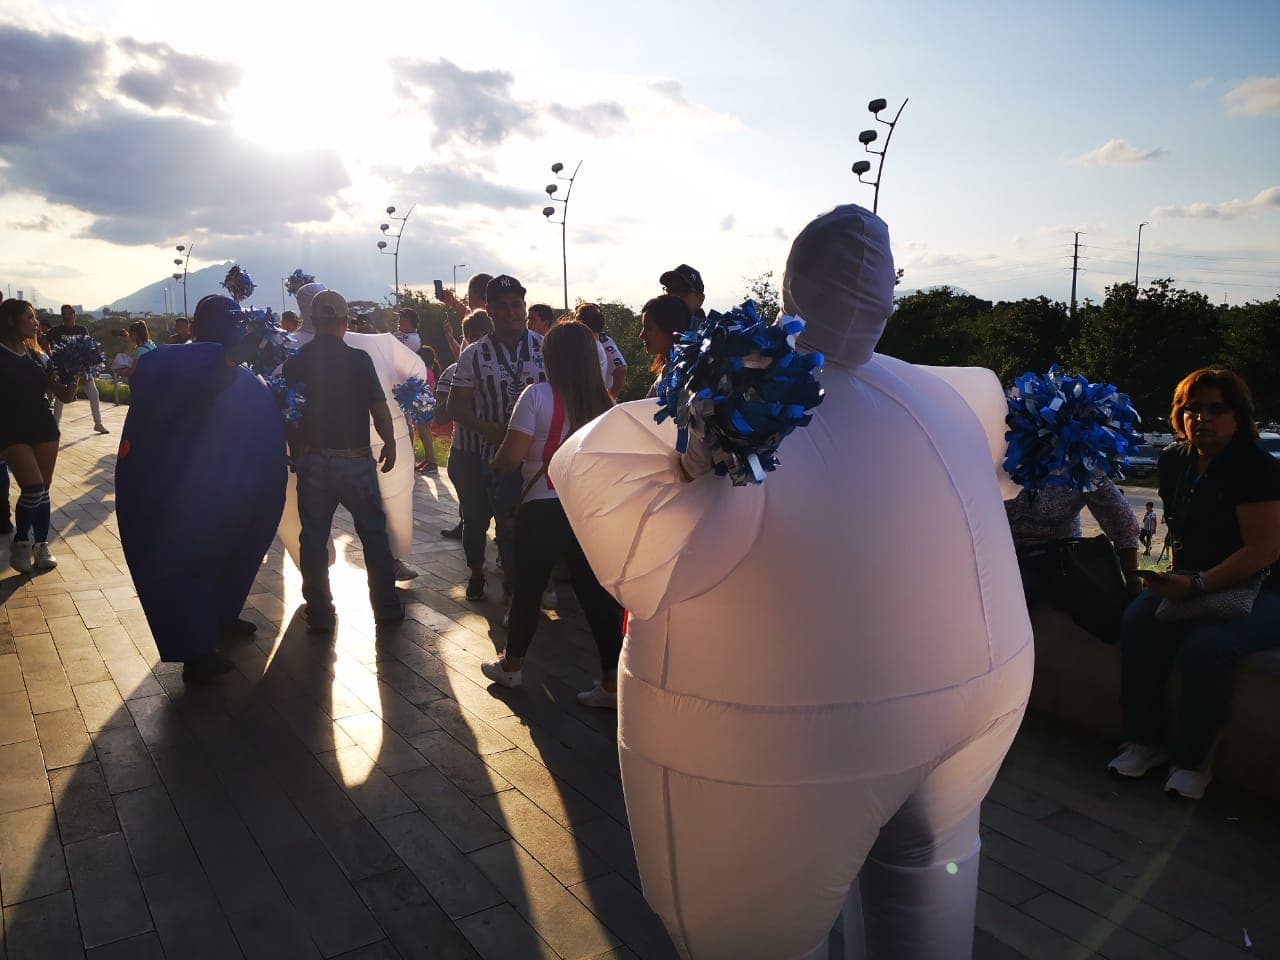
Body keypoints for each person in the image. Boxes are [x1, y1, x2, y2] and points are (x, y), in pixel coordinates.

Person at [550, 205, 1033, 959]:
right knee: (926, 876)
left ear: (790, 285)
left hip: (803, 733)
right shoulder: (940, 396)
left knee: (754, 932)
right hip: (986, 690)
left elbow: (635, 548)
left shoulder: (748, 408)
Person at [1109, 369, 1280, 800]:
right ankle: (1143, 742)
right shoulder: (1175, 460)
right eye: (1191, 408)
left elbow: (1263, 551)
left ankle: (1193, 758)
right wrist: (1175, 578)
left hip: (1266, 588)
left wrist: (1198, 586)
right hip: (1197, 577)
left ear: (1238, 417)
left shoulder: (1256, 468)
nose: (1201, 417)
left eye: (1215, 408)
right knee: (1139, 620)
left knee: (1209, 645)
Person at [115, 295, 287, 683]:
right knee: (188, 562)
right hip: (179, 492)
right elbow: (169, 375)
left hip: (230, 491)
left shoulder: (244, 377)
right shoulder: (173, 362)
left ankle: (221, 617)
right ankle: (195, 649)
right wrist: (223, 356)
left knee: (234, 552)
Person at [481, 322, 623, 707]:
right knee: (595, 596)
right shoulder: (606, 405)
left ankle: (511, 665)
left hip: (542, 507)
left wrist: (495, 466)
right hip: (588, 509)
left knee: (528, 588)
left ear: (550, 357)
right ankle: (612, 683)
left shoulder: (536, 396)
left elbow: (511, 457)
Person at [282, 291, 404, 631]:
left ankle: (320, 612)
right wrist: (390, 442)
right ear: (345, 322)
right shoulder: (358, 360)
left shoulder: (297, 361)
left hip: (314, 462)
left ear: (313, 322)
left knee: (314, 539)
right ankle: (387, 607)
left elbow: (288, 413)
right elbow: (379, 407)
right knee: (374, 535)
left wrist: (296, 451)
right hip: (355, 461)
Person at [446, 276, 546, 601]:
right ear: (488, 310)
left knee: (513, 528)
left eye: (516, 305)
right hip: (477, 455)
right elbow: (454, 406)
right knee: (475, 522)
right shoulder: (474, 354)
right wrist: (487, 428)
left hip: (526, 457)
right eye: (501, 307)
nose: (510, 313)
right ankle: (476, 571)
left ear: (524, 306)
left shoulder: (544, 347)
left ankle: (514, 594)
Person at [1, 299, 78, 572]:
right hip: (10, 430)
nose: (35, 323)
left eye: (35, 318)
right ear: (11, 320)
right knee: (32, 488)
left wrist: (76, 370)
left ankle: (41, 545)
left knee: (43, 489)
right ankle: (22, 542)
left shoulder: (39, 357)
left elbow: (66, 396)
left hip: (43, 427)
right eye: (29, 317)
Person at [1005, 473, 1142, 601]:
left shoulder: (1079, 459)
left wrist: (1134, 585)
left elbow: (1122, 519)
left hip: (1058, 560)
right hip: (995, 560)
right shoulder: (990, 454)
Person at [436, 309, 494, 540]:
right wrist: (458, 395)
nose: (479, 340)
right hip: (467, 453)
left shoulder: (506, 371)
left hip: (497, 451)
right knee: (473, 517)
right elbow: (439, 416)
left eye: (484, 334)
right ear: (466, 338)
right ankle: (476, 571)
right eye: (473, 335)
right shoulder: (453, 371)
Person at [49, 305, 109, 434]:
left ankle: (98, 423)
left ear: (74, 315)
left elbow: (89, 348)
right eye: (64, 314)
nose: (67, 317)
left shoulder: (81, 329)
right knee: (60, 398)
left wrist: (87, 370)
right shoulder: (56, 331)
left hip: (82, 370)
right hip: (64, 371)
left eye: (69, 314)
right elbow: (48, 346)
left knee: (94, 393)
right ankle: (54, 426)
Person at [638, 293, 693, 397]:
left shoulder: (684, 377)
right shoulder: (668, 369)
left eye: (649, 329)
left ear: (671, 330)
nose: (641, 335)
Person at [573, 303, 627, 398]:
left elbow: (621, 369)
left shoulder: (604, 341)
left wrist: (611, 397)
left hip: (596, 401)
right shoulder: (582, 342)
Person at [414, 345, 441, 474]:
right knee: (424, 432)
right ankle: (428, 459)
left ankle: (431, 462)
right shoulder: (430, 370)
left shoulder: (424, 371)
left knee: (424, 432)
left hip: (423, 403)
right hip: (426, 402)